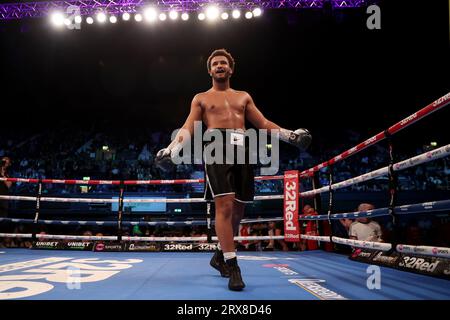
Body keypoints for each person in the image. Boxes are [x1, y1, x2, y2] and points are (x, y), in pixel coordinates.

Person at [155, 49, 311, 291]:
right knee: (225, 205)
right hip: (216, 147)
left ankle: (220, 255)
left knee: (238, 209)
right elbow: (188, 128)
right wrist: (170, 150)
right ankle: (233, 266)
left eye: (223, 63)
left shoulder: (243, 97)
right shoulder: (201, 98)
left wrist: (291, 136)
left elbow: (263, 124)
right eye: (215, 63)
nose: (219, 66)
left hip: (243, 149)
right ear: (209, 70)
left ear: (231, 69)